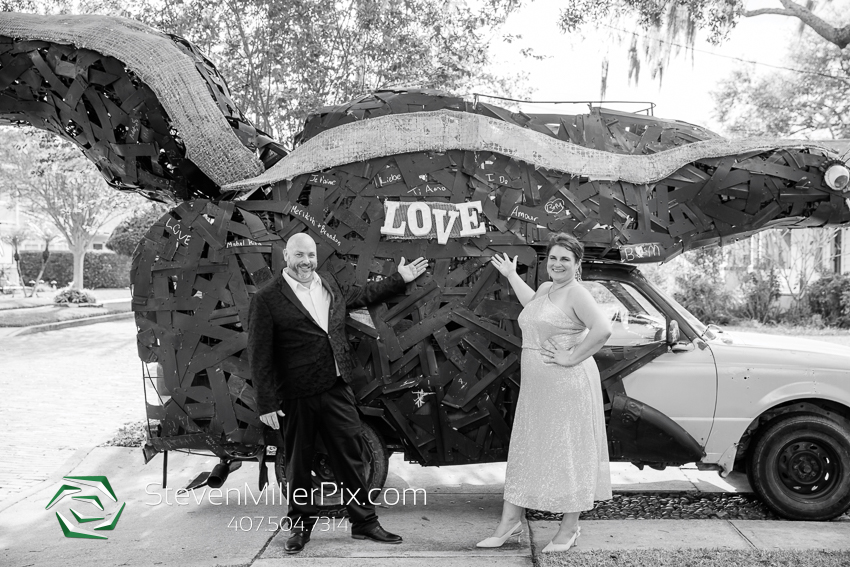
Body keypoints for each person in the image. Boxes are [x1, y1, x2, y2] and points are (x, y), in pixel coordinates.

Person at [247, 232, 428, 554]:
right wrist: (266, 403)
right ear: (286, 256)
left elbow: (361, 295)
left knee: (352, 456)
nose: (306, 262)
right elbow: (259, 355)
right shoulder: (266, 299)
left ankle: (364, 523)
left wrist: (399, 279)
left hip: (335, 387)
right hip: (295, 394)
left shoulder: (327, 283)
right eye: (299, 255)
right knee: (298, 464)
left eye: (311, 256)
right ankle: (300, 526)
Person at [477, 232, 613, 553]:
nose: (557, 263)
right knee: (527, 448)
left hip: (567, 386)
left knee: (568, 452)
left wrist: (571, 357)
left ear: (577, 264)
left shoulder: (577, 293)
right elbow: (535, 308)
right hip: (538, 390)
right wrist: (512, 276)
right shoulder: (546, 289)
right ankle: (509, 523)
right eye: (553, 258)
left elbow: (603, 329)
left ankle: (569, 529)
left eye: (565, 258)